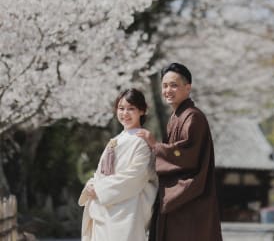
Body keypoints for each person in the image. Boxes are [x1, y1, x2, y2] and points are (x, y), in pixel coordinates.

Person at [136, 62, 222, 241]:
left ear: (188, 87)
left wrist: (156, 146)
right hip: (181, 198)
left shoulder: (193, 117)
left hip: (190, 199)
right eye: (165, 85)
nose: (168, 90)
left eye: (174, 85)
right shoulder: (177, 117)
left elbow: (187, 155)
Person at [78, 88, 158, 241]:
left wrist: (100, 189)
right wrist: (92, 184)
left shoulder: (141, 140)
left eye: (131, 109)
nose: (125, 113)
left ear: (142, 111)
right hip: (105, 206)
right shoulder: (116, 140)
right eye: (121, 108)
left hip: (127, 209)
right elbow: (101, 172)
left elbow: (135, 176)